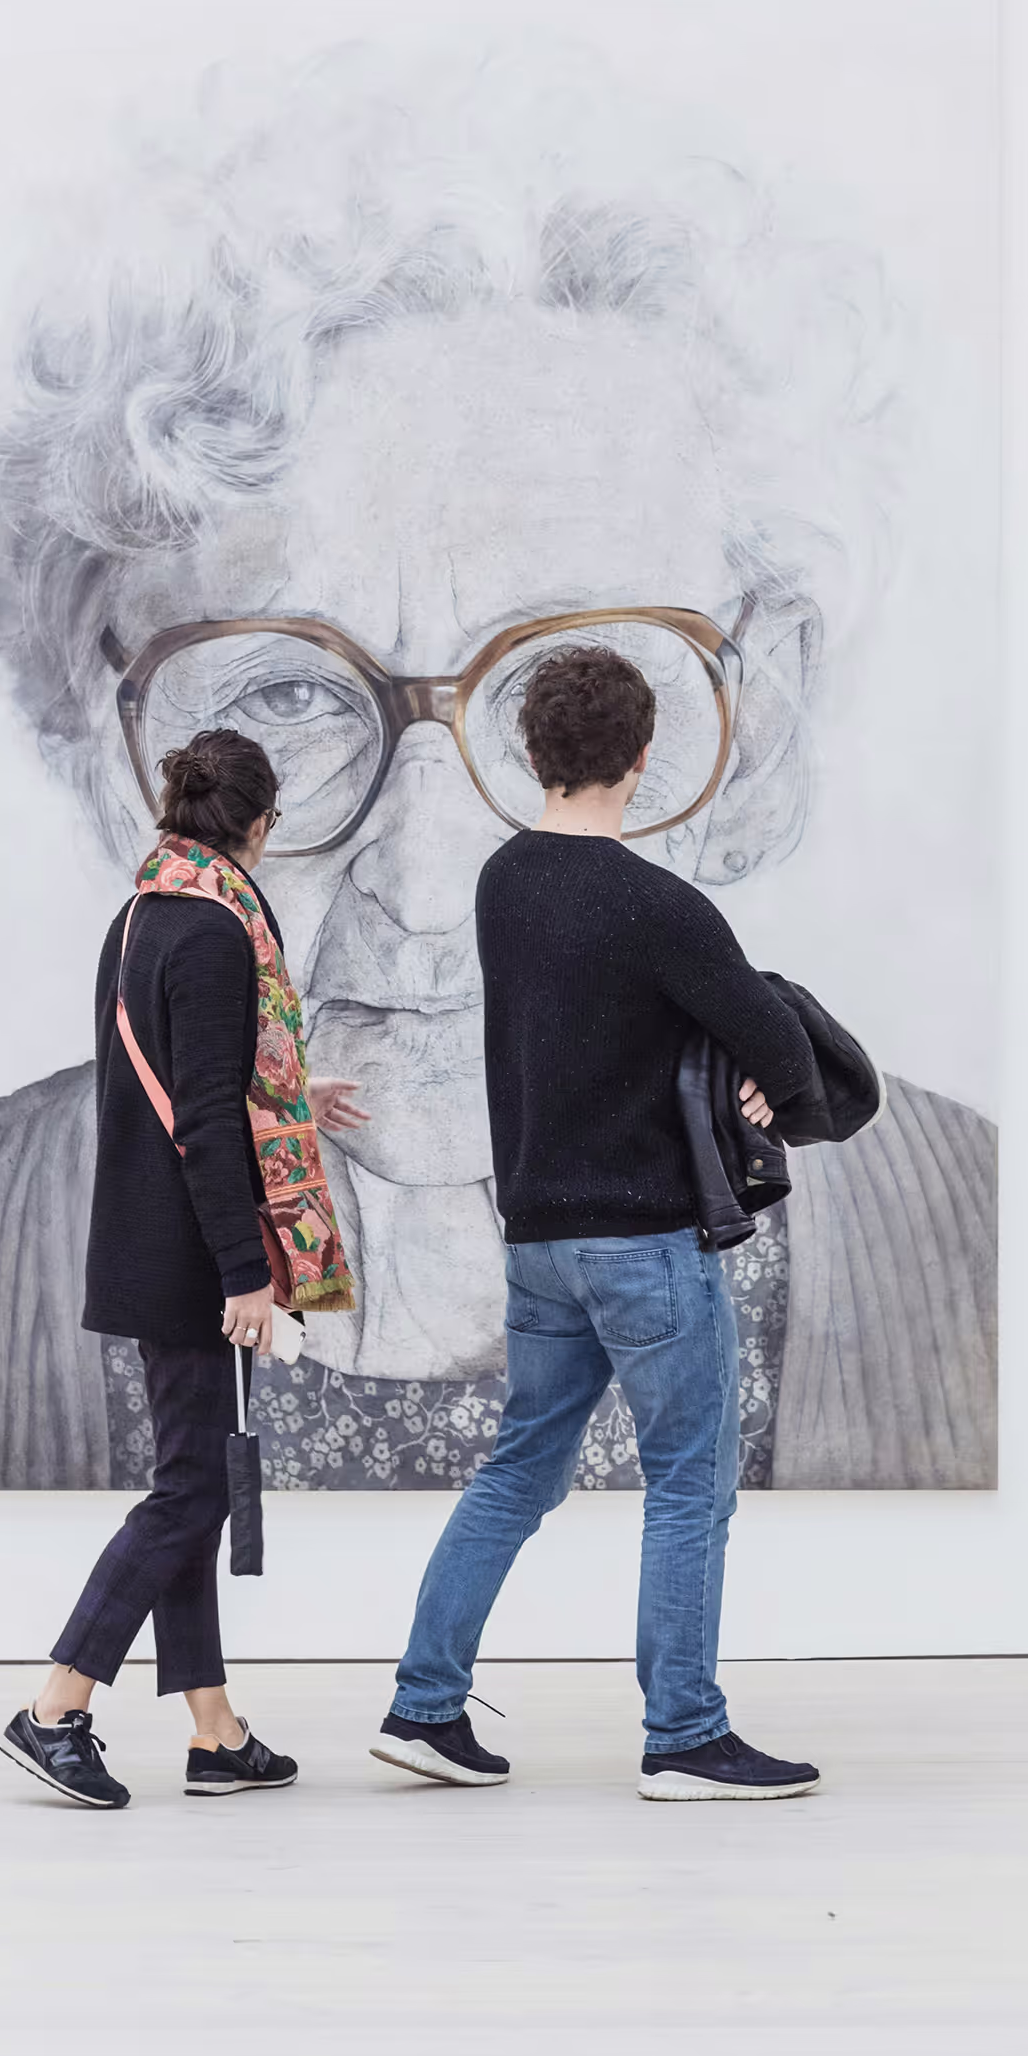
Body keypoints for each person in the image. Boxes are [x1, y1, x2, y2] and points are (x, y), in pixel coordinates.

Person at [0, 44, 995, 1493]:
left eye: (561, 687)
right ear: (120, 745)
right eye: (286, 689)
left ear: (753, 722)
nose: (426, 880)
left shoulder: (984, 1232)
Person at [373, 645, 824, 1801]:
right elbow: (779, 1047)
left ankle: (423, 1705)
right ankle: (683, 1734)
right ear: (638, 758)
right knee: (687, 1484)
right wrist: (772, 1086)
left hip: (537, 1241)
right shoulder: (659, 907)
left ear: (531, 753)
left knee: (517, 1467)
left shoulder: (500, 884)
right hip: (644, 1245)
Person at [0, 727, 366, 1809]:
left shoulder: (144, 911)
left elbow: (190, 1076)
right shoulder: (214, 929)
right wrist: (246, 1272)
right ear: (259, 823)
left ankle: (214, 1731)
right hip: (191, 1255)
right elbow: (199, 1114)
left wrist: (294, 1095)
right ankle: (55, 1704)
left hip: (151, 1236)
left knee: (191, 1483)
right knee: (189, 1488)